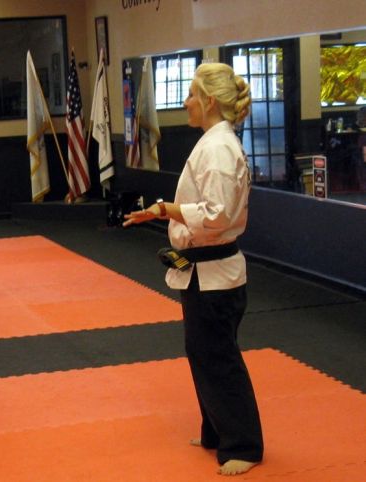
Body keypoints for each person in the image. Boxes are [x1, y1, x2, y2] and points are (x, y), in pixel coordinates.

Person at [123, 62, 263, 476]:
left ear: (210, 101)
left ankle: (244, 445)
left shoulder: (218, 149)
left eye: (191, 95)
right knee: (203, 353)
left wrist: (166, 209)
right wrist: (162, 212)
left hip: (215, 274)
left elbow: (217, 215)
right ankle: (216, 431)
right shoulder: (213, 143)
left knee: (218, 357)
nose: (186, 102)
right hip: (204, 270)